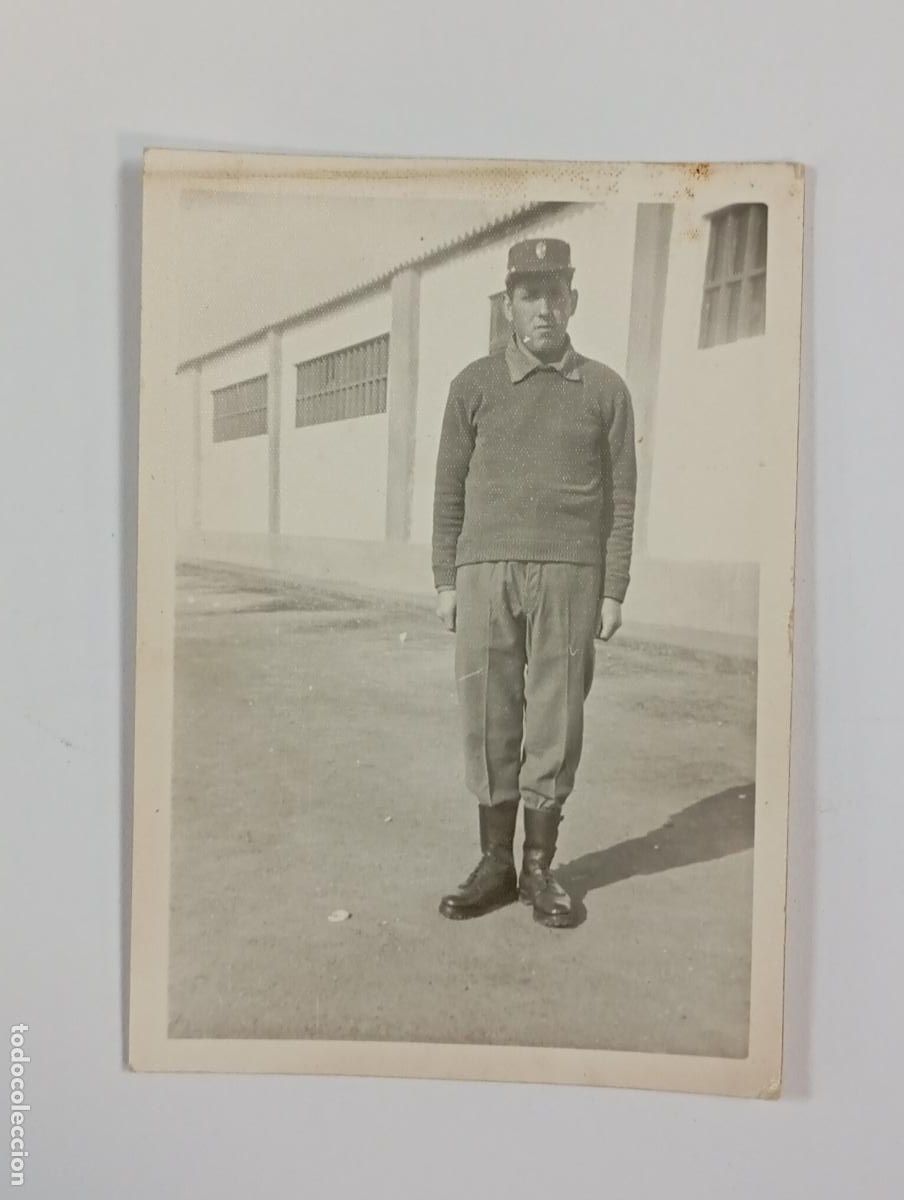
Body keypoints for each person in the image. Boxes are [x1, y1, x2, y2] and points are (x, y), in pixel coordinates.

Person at [432, 237, 637, 928]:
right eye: (529, 294)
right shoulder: (473, 385)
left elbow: (622, 499)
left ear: (572, 300)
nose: (544, 308)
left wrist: (613, 587)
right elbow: (447, 487)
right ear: (509, 304)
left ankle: (539, 870)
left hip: (571, 573)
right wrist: (445, 576)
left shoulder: (605, 389)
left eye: (555, 293)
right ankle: (494, 863)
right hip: (485, 568)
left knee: (555, 719)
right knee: (488, 713)